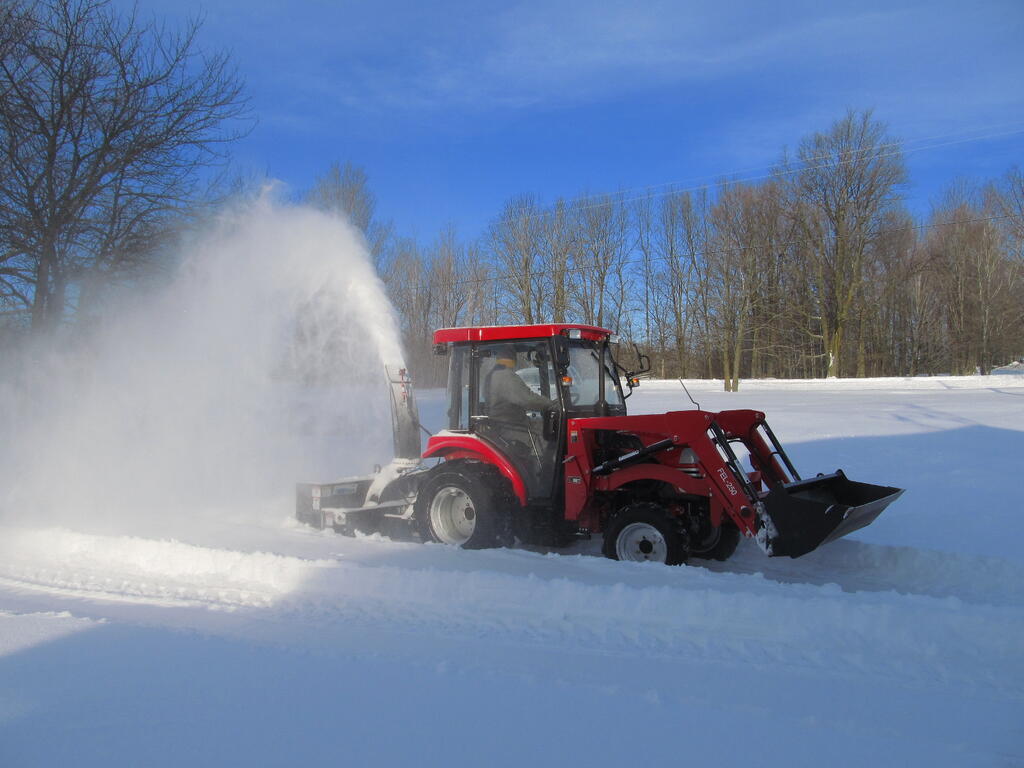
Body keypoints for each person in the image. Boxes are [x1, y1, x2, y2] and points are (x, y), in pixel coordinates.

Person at [485, 346, 553, 423]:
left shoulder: (493, 374)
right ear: (512, 359)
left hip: (503, 422)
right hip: (510, 424)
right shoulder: (506, 376)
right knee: (547, 428)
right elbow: (528, 400)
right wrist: (550, 404)